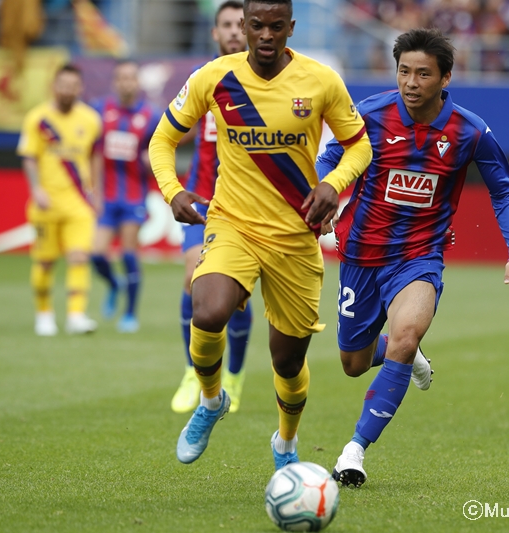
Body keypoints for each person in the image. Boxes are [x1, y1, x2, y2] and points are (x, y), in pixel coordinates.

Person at [148, 0, 372, 467]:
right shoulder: (214, 77)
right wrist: (172, 191)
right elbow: (162, 139)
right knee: (208, 311)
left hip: (295, 237)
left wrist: (333, 184)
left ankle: (285, 442)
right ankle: (212, 400)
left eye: (276, 26)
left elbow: (359, 146)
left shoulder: (321, 80)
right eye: (257, 25)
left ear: (291, 27)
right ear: (244, 28)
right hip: (233, 224)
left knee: (286, 362)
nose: (266, 35)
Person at [315, 28, 509, 487]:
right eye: (404, 72)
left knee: (406, 333)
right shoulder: (369, 115)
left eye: (423, 74)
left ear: (445, 78)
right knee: (353, 363)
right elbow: (327, 159)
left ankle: (354, 451)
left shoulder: (469, 131)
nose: (411, 83)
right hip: (361, 254)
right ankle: (404, 355)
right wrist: (327, 194)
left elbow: (505, 192)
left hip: (419, 256)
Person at [171, 0, 254, 416]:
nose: (235, 30)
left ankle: (234, 376)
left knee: (236, 295)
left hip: (247, 207)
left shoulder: (263, 82)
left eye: (241, 24)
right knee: (193, 278)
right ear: (214, 33)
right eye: (227, 24)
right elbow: (173, 130)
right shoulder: (201, 79)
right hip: (203, 200)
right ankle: (193, 372)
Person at [18, 64, 103, 336]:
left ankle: (76, 315)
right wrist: (36, 189)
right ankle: (44, 314)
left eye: (73, 86)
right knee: (45, 261)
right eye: (63, 85)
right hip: (47, 202)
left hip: (79, 202)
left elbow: (95, 155)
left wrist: (96, 191)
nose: (67, 91)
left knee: (79, 257)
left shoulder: (91, 119)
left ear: (80, 88)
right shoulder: (38, 119)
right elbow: (29, 157)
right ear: (54, 86)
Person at [90, 60, 159, 333]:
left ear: (138, 82)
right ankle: (113, 284)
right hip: (107, 197)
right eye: (121, 78)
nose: (126, 82)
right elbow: (95, 153)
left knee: (129, 255)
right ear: (115, 82)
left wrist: (151, 161)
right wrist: (95, 191)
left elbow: (162, 151)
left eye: (131, 77)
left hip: (134, 198)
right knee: (96, 254)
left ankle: (130, 314)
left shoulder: (151, 116)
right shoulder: (101, 110)